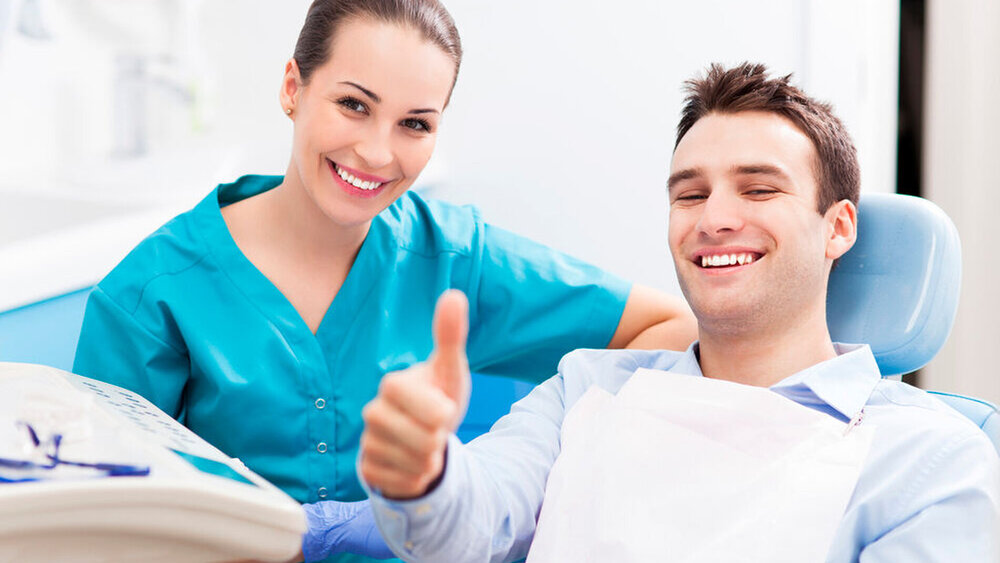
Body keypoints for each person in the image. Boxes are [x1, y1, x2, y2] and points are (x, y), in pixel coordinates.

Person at [72, 1, 695, 561]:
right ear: (292, 88)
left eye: (415, 123)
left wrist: (518, 466)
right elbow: (95, 522)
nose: (376, 152)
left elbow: (670, 329)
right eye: (353, 105)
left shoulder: (455, 258)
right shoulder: (151, 293)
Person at [357, 62, 1000, 562]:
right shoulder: (585, 389)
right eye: (690, 195)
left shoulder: (929, 460)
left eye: (759, 188)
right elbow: (473, 526)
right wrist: (425, 475)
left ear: (838, 228)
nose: (714, 219)